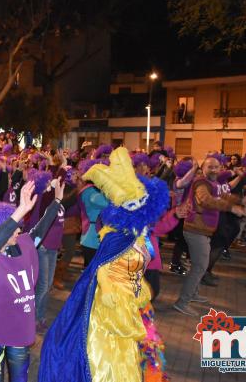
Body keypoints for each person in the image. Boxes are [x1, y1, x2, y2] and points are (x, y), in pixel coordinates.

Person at [39, 147, 171, 382]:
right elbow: (102, 268)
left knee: (135, 354)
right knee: (108, 359)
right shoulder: (116, 237)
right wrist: (110, 289)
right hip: (109, 306)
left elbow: (142, 261)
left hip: (131, 300)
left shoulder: (139, 236)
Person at [0, 179, 64, 382]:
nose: (19, 230)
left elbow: (40, 229)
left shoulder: (22, 245)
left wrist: (56, 201)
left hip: (19, 325)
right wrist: (19, 211)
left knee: (19, 378)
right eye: (14, 227)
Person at [173, 157, 246, 317]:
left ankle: (193, 294)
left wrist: (241, 200)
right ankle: (182, 302)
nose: (214, 170)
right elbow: (206, 200)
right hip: (195, 230)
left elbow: (222, 196)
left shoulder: (213, 183)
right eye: (210, 167)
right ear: (203, 168)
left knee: (201, 264)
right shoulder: (201, 182)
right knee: (200, 266)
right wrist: (231, 208)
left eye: (217, 167)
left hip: (204, 230)